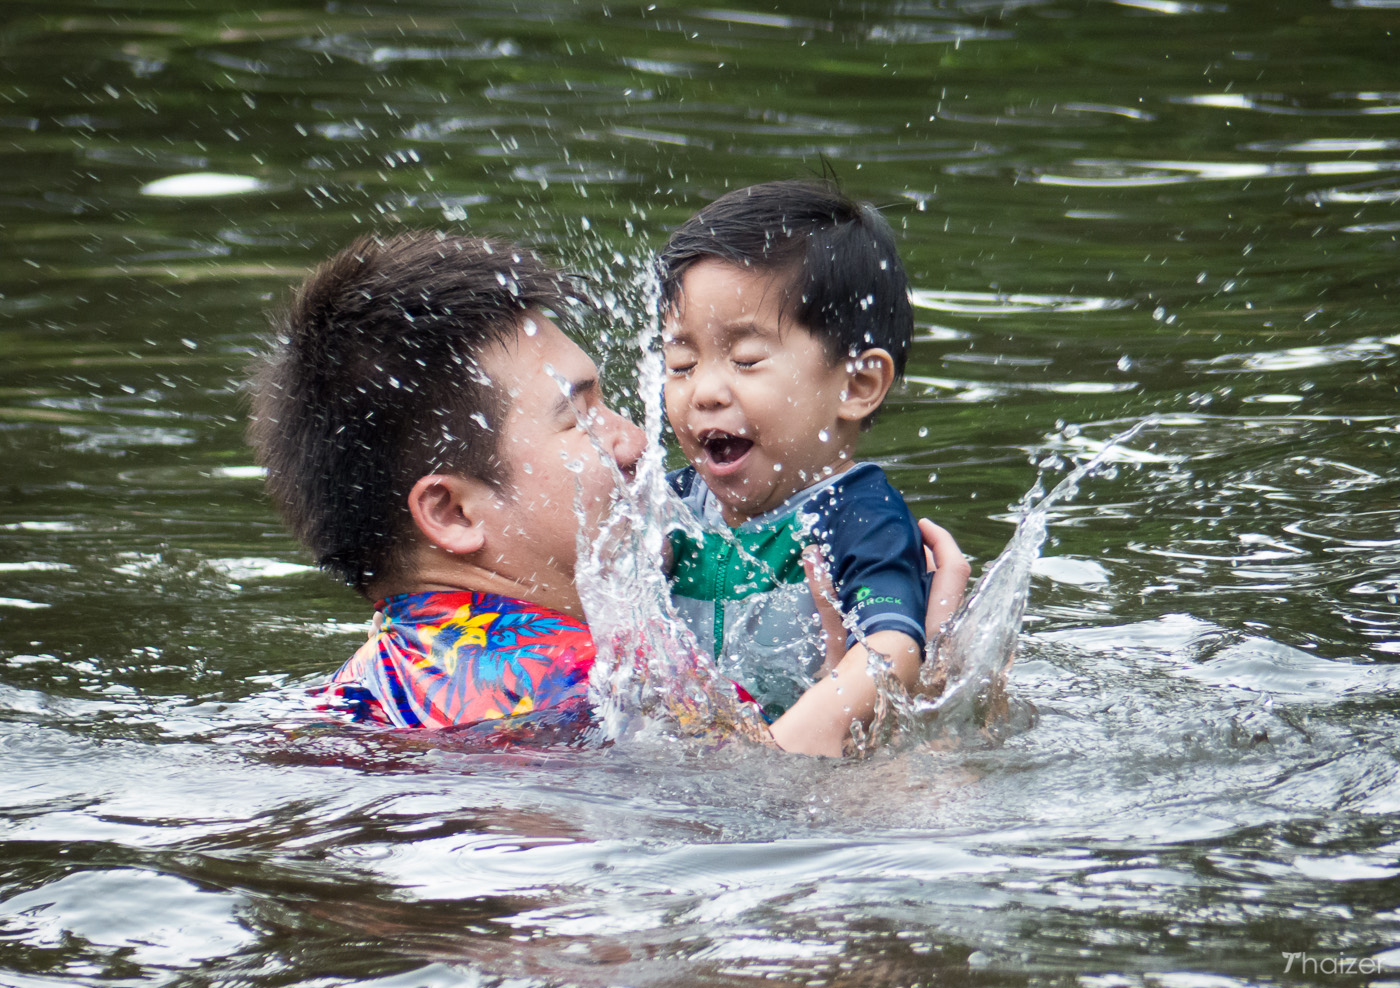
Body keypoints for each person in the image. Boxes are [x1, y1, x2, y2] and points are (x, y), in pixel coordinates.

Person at [249, 230, 968, 758]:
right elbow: (781, 819)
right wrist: (926, 692)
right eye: (579, 416)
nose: (634, 441)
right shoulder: (618, 695)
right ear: (453, 512)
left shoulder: (362, 692)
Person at [659, 179, 932, 722]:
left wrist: (806, 733)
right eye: (682, 366)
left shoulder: (859, 517)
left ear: (855, 386)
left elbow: (894, 646)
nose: (705, 391)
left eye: (747, 359)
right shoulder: (672, 506)